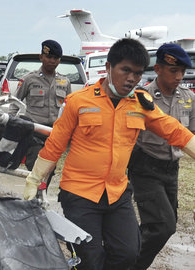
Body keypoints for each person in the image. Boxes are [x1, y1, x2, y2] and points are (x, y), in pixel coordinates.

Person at [22, 38, 195, 270]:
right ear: (109, 67)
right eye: (125, 70)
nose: (132, 78)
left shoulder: (140, 104)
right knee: (90, 259)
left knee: (128, 254)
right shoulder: (79, 101)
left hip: (117, 193)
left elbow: (175, 131)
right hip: (80, 194)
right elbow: (55, 144)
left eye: (137, 73)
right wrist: (35, 178)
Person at [127, 44, 195, 270]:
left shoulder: (188, 98)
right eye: (173, 71)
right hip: (145, 165)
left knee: (163, 225)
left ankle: (120, 256)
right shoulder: (142, 98)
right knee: (162, 226)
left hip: (171, 168)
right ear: (158, 69)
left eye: (182, 72)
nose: (179, 77)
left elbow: (191, 134)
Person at [14, 39, 71, 184]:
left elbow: (70, 108)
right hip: (35, 133)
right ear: (41, 57)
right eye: (49, 57)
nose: (52, 61)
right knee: (36, 167)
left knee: (50, 169)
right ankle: (34, 199)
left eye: (56, 58)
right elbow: (15, 103)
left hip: (54, 134)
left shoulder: (64, 82)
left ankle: (39, 199)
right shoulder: (29, 79)